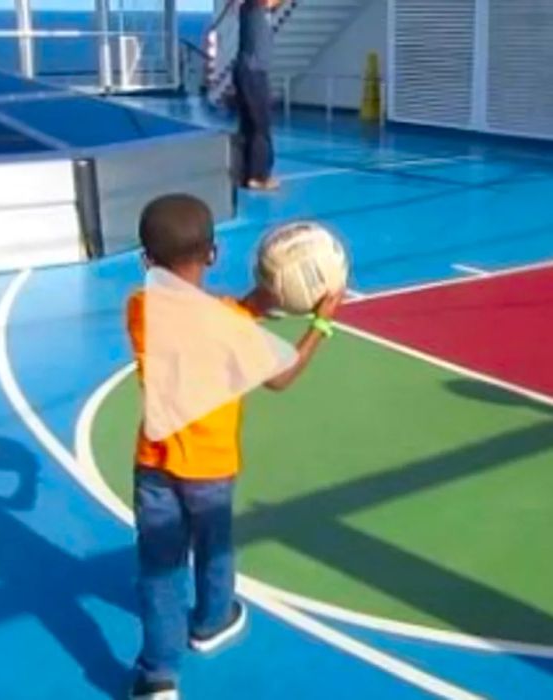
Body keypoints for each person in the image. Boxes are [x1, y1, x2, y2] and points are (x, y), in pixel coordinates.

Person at [127, 194, 343, 700]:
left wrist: (260, 300)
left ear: (145, 261)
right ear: (214, 254)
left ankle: (158, 676)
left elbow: (220, 317)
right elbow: (282, 377)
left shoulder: (139, 308)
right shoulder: (230, 322)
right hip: (211, 470)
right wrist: (322, 322)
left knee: (159, 572)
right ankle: (213, 619)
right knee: (215, 545)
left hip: (154, 468)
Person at [234, 0, 283, 191]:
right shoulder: (254, 7)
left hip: (250, 72)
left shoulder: (255, 10)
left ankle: (245, 173)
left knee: (249, 126)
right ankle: (258, 176)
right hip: (253, 73)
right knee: (260, 126)